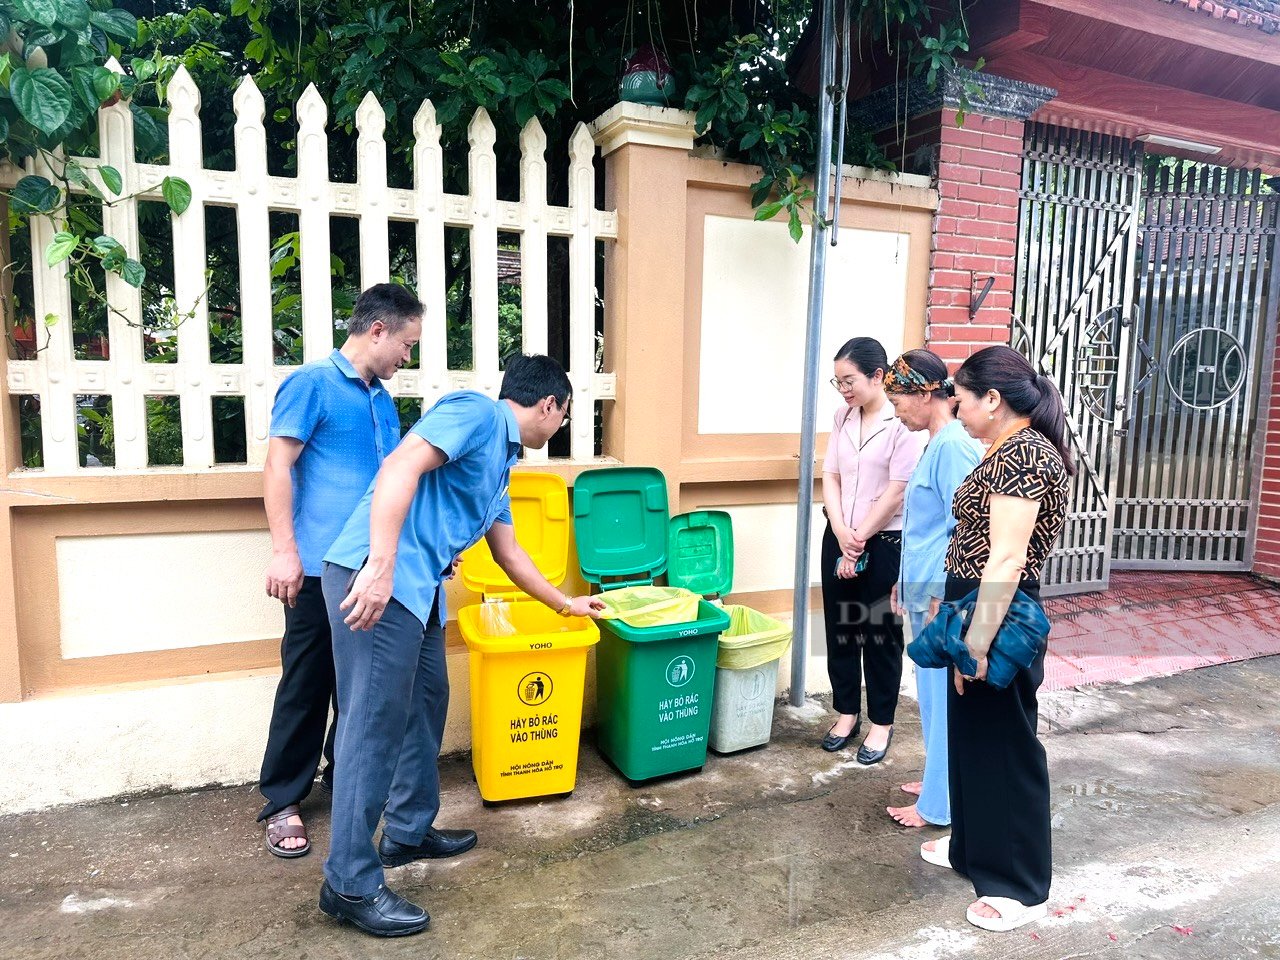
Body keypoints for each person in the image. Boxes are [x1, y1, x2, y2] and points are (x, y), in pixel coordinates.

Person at [317, 353, 607, 938]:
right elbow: (400, 467)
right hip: (377, 578)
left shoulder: (499, 463)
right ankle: (348, 881)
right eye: (564, 415)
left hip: (418, 590)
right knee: (372, 726)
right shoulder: (475, 413)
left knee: (426, 702)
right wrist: (380, 564)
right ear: (549, 405)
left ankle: (406, 830)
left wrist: (565, 604)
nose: (560, 427)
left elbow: (509, 553)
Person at [257, 283, 423, 858]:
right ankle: (282, 797)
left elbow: (395, 484)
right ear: (377, 330)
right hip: (312, 567)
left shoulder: (382, 399)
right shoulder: (312, 384)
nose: (408, 357)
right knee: (306, 682)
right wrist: (284, 550)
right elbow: (278, 466)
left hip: (365, 566)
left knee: (358, 685)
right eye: (406, 344)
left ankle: (338, 775)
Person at [917, 345, 1073, 933]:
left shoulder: (1026, 457)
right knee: (974, 734)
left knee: (1006, 742)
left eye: (960, 393)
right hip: (973, 603)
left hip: (999, 612)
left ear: (993, 398)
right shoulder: (1001, 450)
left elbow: (1006, 558)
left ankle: (1018, 883)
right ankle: (974, 849)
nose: (952, 403)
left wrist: (976, 642)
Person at [884, 350, 981, 829]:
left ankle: (939, 804)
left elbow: (962, 525)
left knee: (942, 696)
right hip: (923, 587)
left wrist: (943, 593)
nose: (894, 407)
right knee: (928, 691)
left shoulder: (954, 446)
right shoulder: (935, 440)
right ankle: (937, 777)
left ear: (926, 392)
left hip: (940, 592)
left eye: (898, 396)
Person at [818, 337, 924, 764]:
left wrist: (858, 537)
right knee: (842, 629)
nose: (843, 389)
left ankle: (881, 722)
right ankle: (846, 714)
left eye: (850, 380)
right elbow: (830, 475)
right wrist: (842, 531)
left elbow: (898, 491)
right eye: (837, 381)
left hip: (884, 542)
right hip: (839, 534)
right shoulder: (842, 416)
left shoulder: (903, 424)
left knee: (879, 633)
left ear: (878, 376)